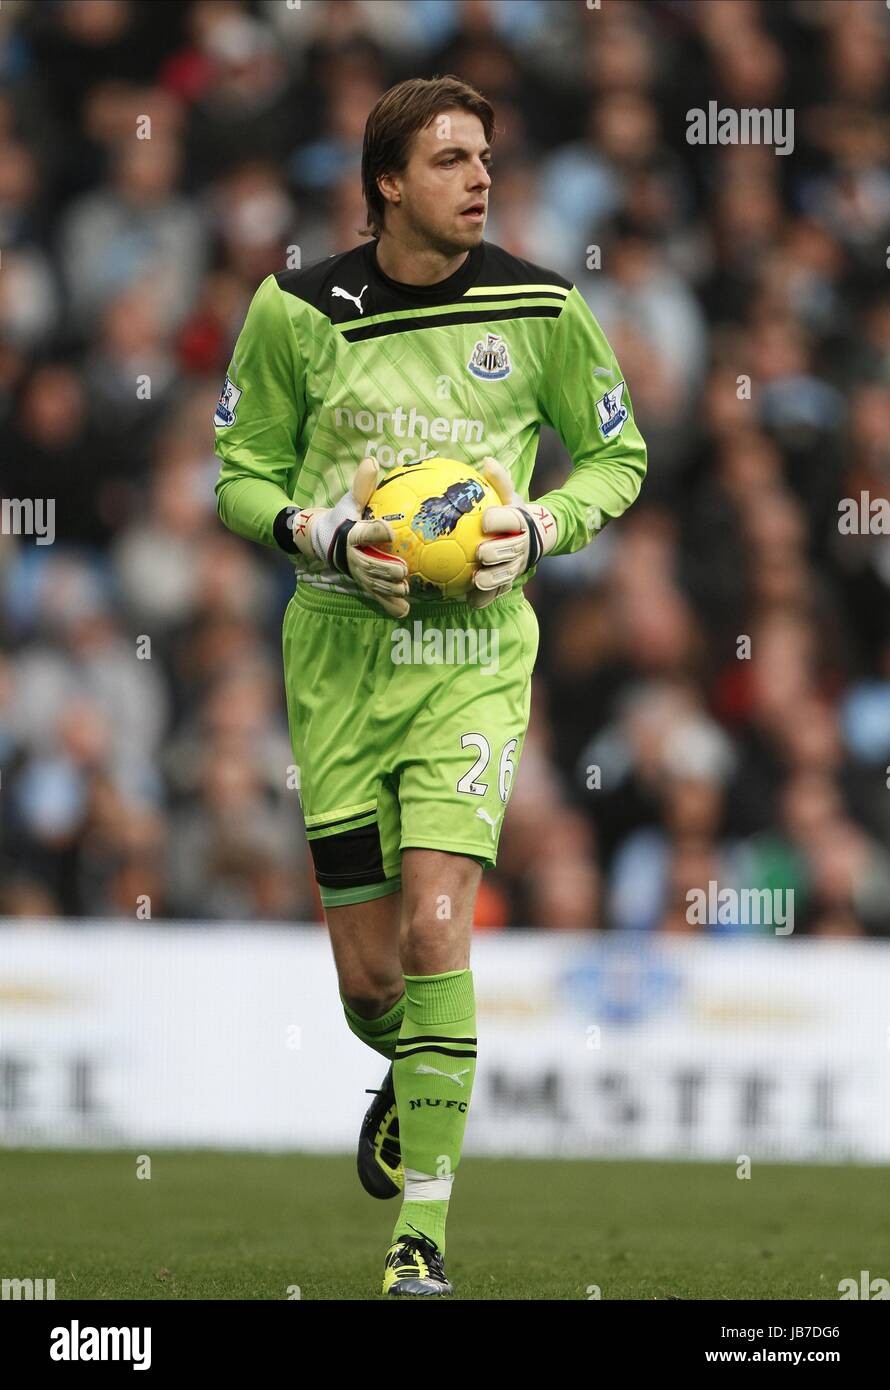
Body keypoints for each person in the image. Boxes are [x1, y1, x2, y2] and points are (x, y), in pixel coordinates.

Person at [213, 74, 646, 1297]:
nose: (479, 180)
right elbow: (236, 475)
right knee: (369, 983)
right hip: (339, 659)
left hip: (469, 659)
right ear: (385, 183)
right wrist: (322, 533)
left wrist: (543, 528)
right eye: (449, 161)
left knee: (436, 925)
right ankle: (409, 1078)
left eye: (486, 161)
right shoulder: (293, 311)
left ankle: (420, 1244)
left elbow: (617, 453)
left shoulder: (542, 307)